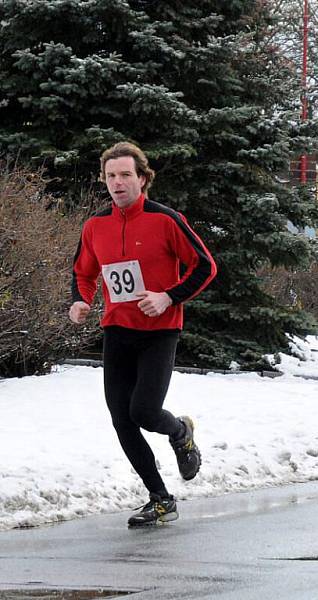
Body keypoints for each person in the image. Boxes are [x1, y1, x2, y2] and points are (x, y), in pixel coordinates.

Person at [69, 142, 217, 527]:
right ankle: (161, 499)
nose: (117, 183)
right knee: (122, 419)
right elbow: (84, 273)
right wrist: (82, 301)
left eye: (125, 175)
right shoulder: (95, 225)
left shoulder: (165, 220)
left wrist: (169, 297)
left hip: (159, 331)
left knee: (145, 412)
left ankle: (180, 431)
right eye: (110, 176)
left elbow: (205, 266)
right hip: (117, 330)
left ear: (142, 178)